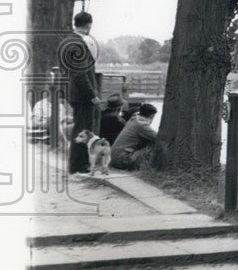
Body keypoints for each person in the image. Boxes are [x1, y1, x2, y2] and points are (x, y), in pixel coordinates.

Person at [57, 11, 103, 173]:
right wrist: (93, 95)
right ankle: (79, 165)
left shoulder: (66, 42)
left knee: (79, 128)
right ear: (89, 24)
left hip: (73, 92)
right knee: (84, 131)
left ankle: (76, 164)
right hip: (82, 95)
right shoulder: (78, 44)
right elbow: (81, 74)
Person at [110, 103, 164, 170]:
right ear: (152, 116)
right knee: (154, 144)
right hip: (123, 159)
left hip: (113, 158)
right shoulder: (142, 125)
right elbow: (160, 138)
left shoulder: (134, 118)